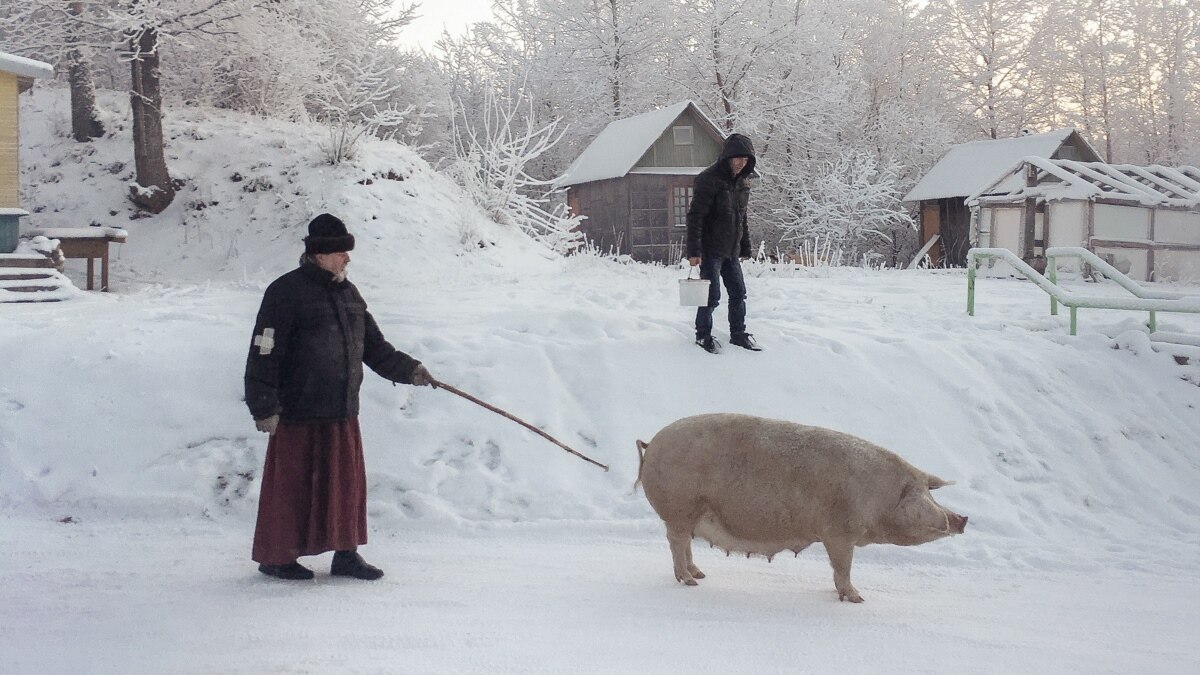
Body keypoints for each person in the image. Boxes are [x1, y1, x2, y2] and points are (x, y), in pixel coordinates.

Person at [244, 213, 434, 581]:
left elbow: (376, 348)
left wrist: (411, 370)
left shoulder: (350, 294)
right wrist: (263, 405)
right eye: (341, 252)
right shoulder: (285, 292)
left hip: (341, 410)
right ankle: (277, 557)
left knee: (345, 488)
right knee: (292, 488)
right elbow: (264, 351)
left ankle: (346, 555)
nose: (348, 258)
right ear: (319, 254)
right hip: (298, 411)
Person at [685, 132, 762, 354]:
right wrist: (694, 250)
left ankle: (738, 334)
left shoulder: (742, 183)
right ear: (727, 156)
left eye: (746, 159)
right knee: (711, 296)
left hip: (731, 250)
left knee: (738, 293)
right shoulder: (708, 179)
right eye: (738, 158)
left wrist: (745, 246)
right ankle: (703, 335)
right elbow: (695, 216)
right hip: (710, 250)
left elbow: (741, 217)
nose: (741, 163)